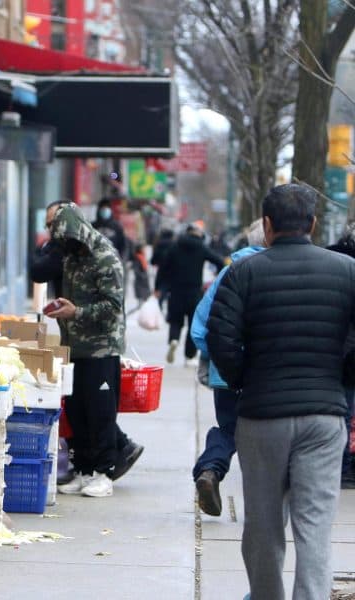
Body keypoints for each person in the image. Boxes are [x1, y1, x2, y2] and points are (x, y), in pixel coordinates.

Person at [207, 184, 354, 600]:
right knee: (315, 526)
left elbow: (220, 339)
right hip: (324, 417)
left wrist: (243, 380)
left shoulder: (242, 273)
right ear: (312, 224)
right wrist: (342, 379)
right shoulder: (346, 271)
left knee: (263, 525)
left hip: (261, 416)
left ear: (267, 226)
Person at [43, 202, 130, 498]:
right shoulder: (70, 256)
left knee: (101, 412)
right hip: (74, 346)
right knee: (77, 411)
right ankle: (83, 470)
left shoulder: (105, 257)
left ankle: (104, 471)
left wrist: (76, 312)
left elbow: (112, 306)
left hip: (101, 348)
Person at [189, 219, 265, 516]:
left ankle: (210, 468)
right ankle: (264, 504)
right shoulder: (275, 273)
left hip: (226, 374)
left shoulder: (228, 272)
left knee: (230, 428)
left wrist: (220, 357)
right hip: (268, 372)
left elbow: (199, 329)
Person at [156, 223, 226, 365]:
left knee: (175, 320)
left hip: (175, 291)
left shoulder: (175, 246)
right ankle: (189, 356)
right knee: (192, 323)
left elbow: (163, 268)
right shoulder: (201, 247)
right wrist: (217, 277)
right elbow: (219, 261)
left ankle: (174, 340)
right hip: (194, 291)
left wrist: (158, 286)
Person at [326, 222, 355, 489]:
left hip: (325, 352)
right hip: (347, 355)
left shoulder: (326, 261)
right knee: (347, 412)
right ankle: (345, 467)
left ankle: (340, 466)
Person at [151, 228, 176, 310]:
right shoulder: (175, 244)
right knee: (171, 290)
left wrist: (153, 262)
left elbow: (155, 257)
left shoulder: (159, 244)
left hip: (161, 269)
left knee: (160, 288)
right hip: (172, 270)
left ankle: (159, 306)